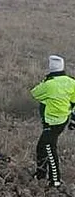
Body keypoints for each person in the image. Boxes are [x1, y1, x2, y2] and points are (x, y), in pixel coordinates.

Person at [31, 55, 75, 187]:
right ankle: (40, 175)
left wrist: (45, 81)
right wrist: (73, 120)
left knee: (50, 149)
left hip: (52, 122)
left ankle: (55, 180)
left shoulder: (49, 85)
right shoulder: (71, 82)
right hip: (62, 120)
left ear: (50, 69)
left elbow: (35, 93)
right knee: (41, 147)